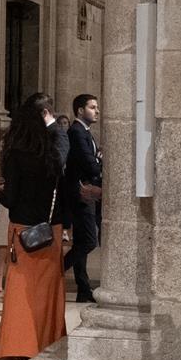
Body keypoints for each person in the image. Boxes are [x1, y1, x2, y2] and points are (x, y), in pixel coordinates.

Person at [0, 92, 69, 360]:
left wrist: (0, 194)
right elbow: (63, 151)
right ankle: (48, 352)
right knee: (47, 297)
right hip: (49, 231)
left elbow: (10, 197)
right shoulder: (52, 148)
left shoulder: (15, 151)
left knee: (20, 298)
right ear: (46, 115)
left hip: (22, 231)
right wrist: (53, 125)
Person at [62, 93, 104, 303]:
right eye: (92, 107)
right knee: (88, 241)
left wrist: (97, 160)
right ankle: (57, 270)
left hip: (84, 191)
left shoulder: (84, 131)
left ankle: (83, 288)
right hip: (81, 192)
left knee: (81, 240)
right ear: (80, 110)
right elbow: (91, 164)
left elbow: (94, 159)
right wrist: (99, 163)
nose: (97, 111)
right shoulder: (77, 132)